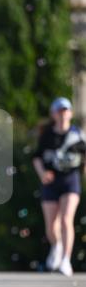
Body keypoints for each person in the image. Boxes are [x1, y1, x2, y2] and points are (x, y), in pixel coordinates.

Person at [32, 97, 85, 276]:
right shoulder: (47, 135)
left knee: (66, 220)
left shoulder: (78, 135)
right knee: (51, 226)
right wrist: (42, 173)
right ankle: (56, 245)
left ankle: (65, 260)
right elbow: (37, 157)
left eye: (65, 111)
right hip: (51, 182)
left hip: (71, 180)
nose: (63, 115)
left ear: (70, 113)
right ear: (53, 114)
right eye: (59, 111)